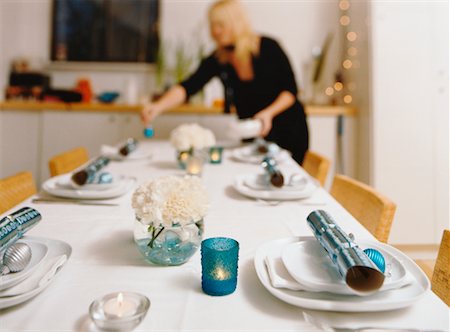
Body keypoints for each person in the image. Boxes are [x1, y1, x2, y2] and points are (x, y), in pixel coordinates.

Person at [141, 0, 309, 164]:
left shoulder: (268, 48)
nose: (215, 31)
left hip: (289, 130)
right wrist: (158, 106)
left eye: (220, 25)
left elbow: (290, 91)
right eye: (212, 25)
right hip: (254, 135)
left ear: (236, 23)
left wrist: (268, 113)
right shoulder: (219, 59)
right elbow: (188, 87)